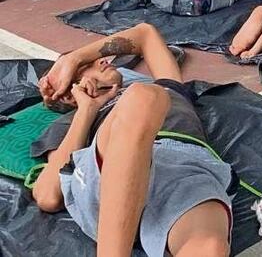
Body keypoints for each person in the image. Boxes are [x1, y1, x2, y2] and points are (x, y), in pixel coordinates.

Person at [32, 23, 235, 257]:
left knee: (209, 248)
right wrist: (85, 111)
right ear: (68, 94)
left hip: (182, 170)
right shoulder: (72, 121)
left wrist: (75, 59)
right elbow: (47, 195)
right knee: (142, 98)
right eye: (85, 67)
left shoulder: (168, 88)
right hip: (109, 180)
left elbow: (145, 34)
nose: (103, 60)